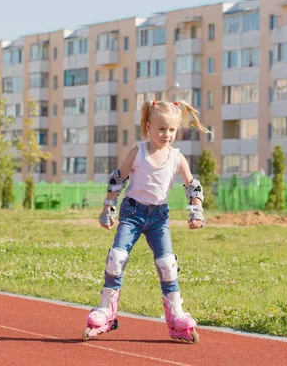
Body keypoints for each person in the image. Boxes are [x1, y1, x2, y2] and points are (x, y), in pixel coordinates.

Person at [82, 99, 210, 344]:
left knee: (167, 264)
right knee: (116, 258)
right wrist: (107, 209)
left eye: (172, 130)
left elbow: (192, 186)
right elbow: (118, 179)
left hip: (159, 217)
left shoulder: (177, 157)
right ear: (149, 127)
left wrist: (197, 212)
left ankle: (176, 317)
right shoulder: (138, 151)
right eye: (161, 129)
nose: (167, 135)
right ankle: (106, 312)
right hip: (132, 213)